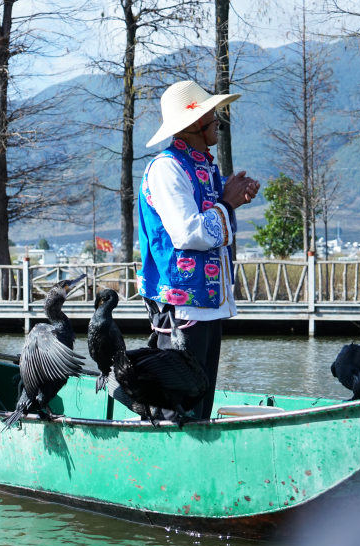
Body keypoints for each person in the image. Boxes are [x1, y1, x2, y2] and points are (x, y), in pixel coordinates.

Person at [137, 81, 260, 420]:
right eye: (211, 114)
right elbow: (187, 232)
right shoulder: (167, 167)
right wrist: (227, 202)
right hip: (181, 304)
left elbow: (213, 217)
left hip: (206, 302)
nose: (218, 120)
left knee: (200, 399)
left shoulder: (202, 167)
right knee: (174, 404)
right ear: (193, 124)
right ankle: (166, 461)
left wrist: (232, 198)